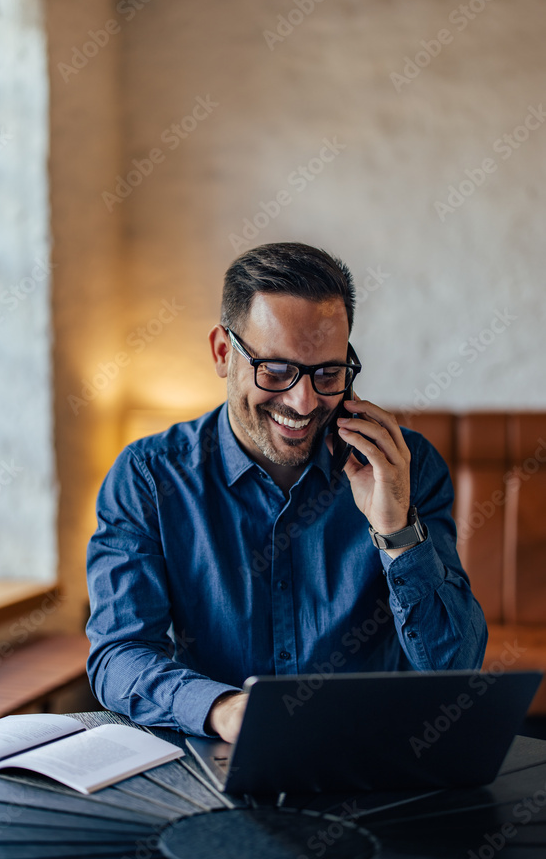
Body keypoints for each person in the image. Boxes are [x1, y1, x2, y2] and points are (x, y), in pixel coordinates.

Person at [86, 242, 488, 743]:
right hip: (218, 756)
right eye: (275, 370)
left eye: (328, 373)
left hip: (372, 759)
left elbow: (452, 671)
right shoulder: (146, 476)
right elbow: (118, 655)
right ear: (221, 353)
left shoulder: (408, 467)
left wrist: (396, 530)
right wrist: (222, 708)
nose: (303, 402)